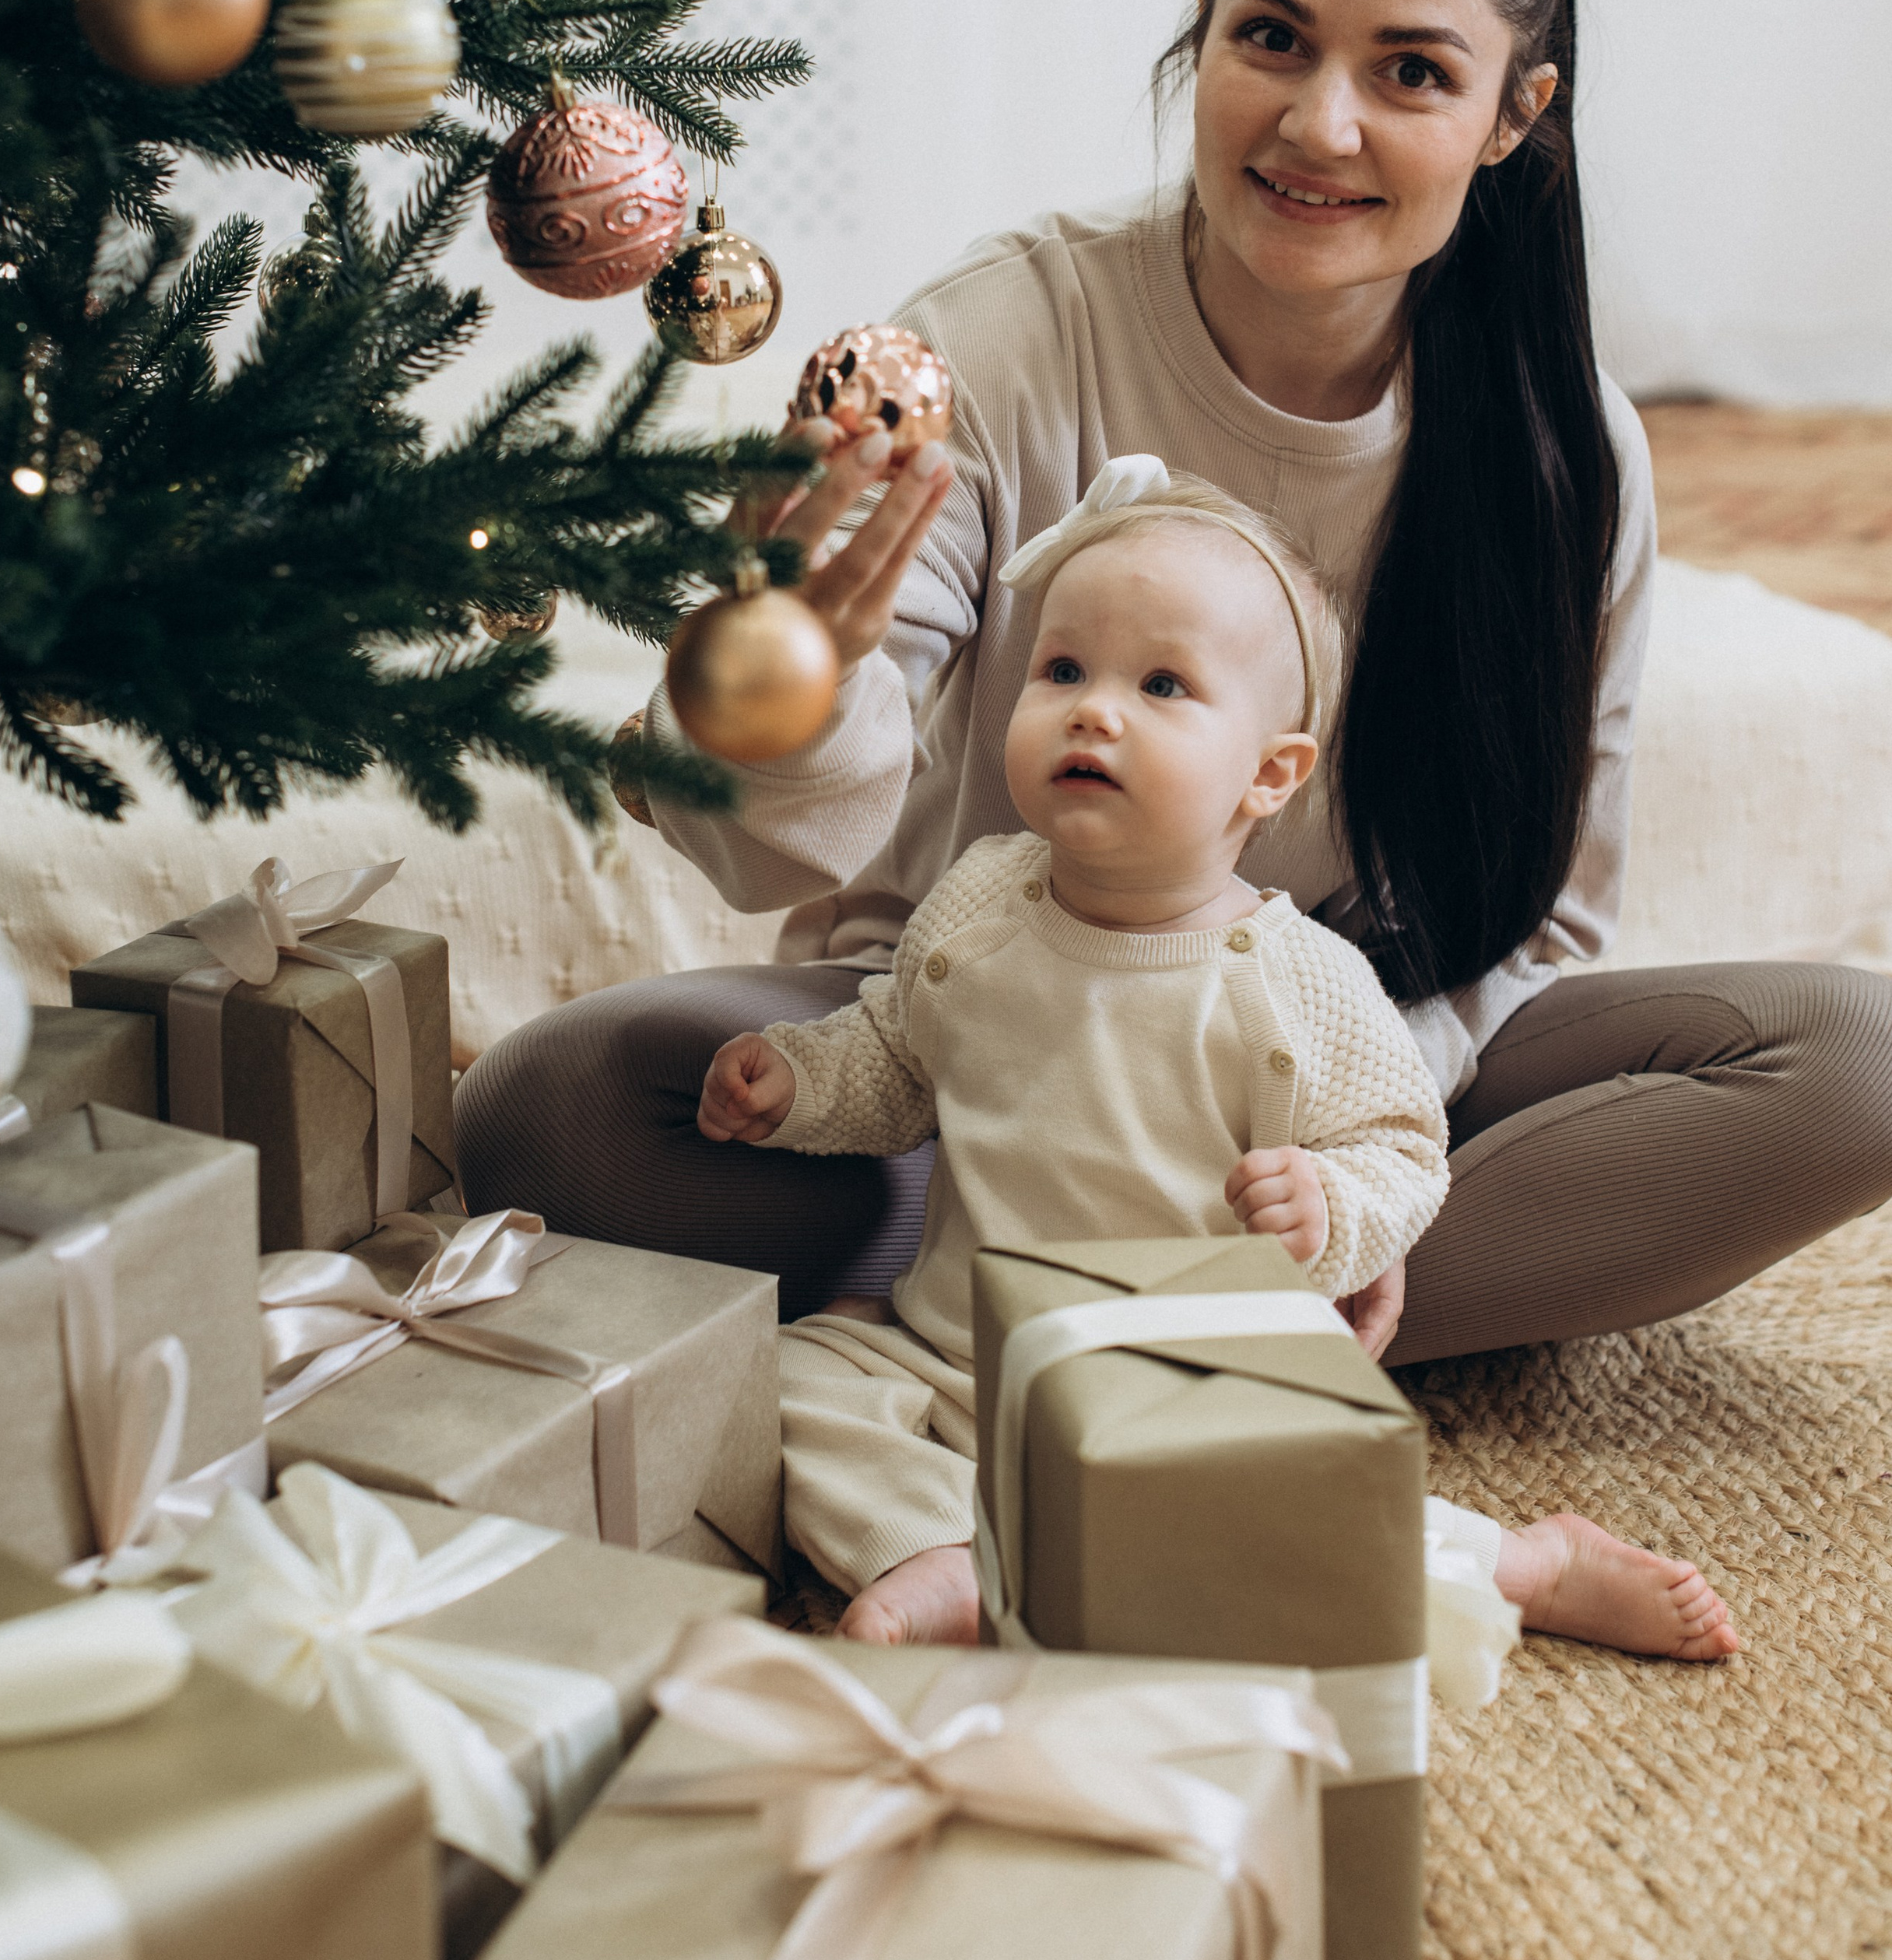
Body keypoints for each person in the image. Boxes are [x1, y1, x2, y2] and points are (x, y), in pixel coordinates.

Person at [456, 0, 1892, 1373]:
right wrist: (787, 680)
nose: (1319, 124)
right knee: (554, 1108)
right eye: (1271, 38)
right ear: (1200, 28)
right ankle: (1182, 1323)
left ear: (1513, 115)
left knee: (1861, 1062)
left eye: (1412, 72)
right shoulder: (1001, 341)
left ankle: (1099, 1310)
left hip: (1344, 1080)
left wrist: (1351, 1172)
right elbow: (762, 858)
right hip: (970, 1059)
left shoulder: (1568, 448)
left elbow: (1541, 928)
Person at [695, 467, 1738, 1664]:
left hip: (1180, 1374)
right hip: (955, 1350)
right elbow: (898, 1055)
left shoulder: (1297, 980)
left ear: (1269, 773)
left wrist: (1328, 1205)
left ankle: (1520, 1563)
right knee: (788, 1383)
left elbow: (1404, 1150)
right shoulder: (980, 902)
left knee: (1279, 1502)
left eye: (1162, 685)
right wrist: (798, 1085)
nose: (1094, 712)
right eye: (1063, 670)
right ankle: (944, 1549)